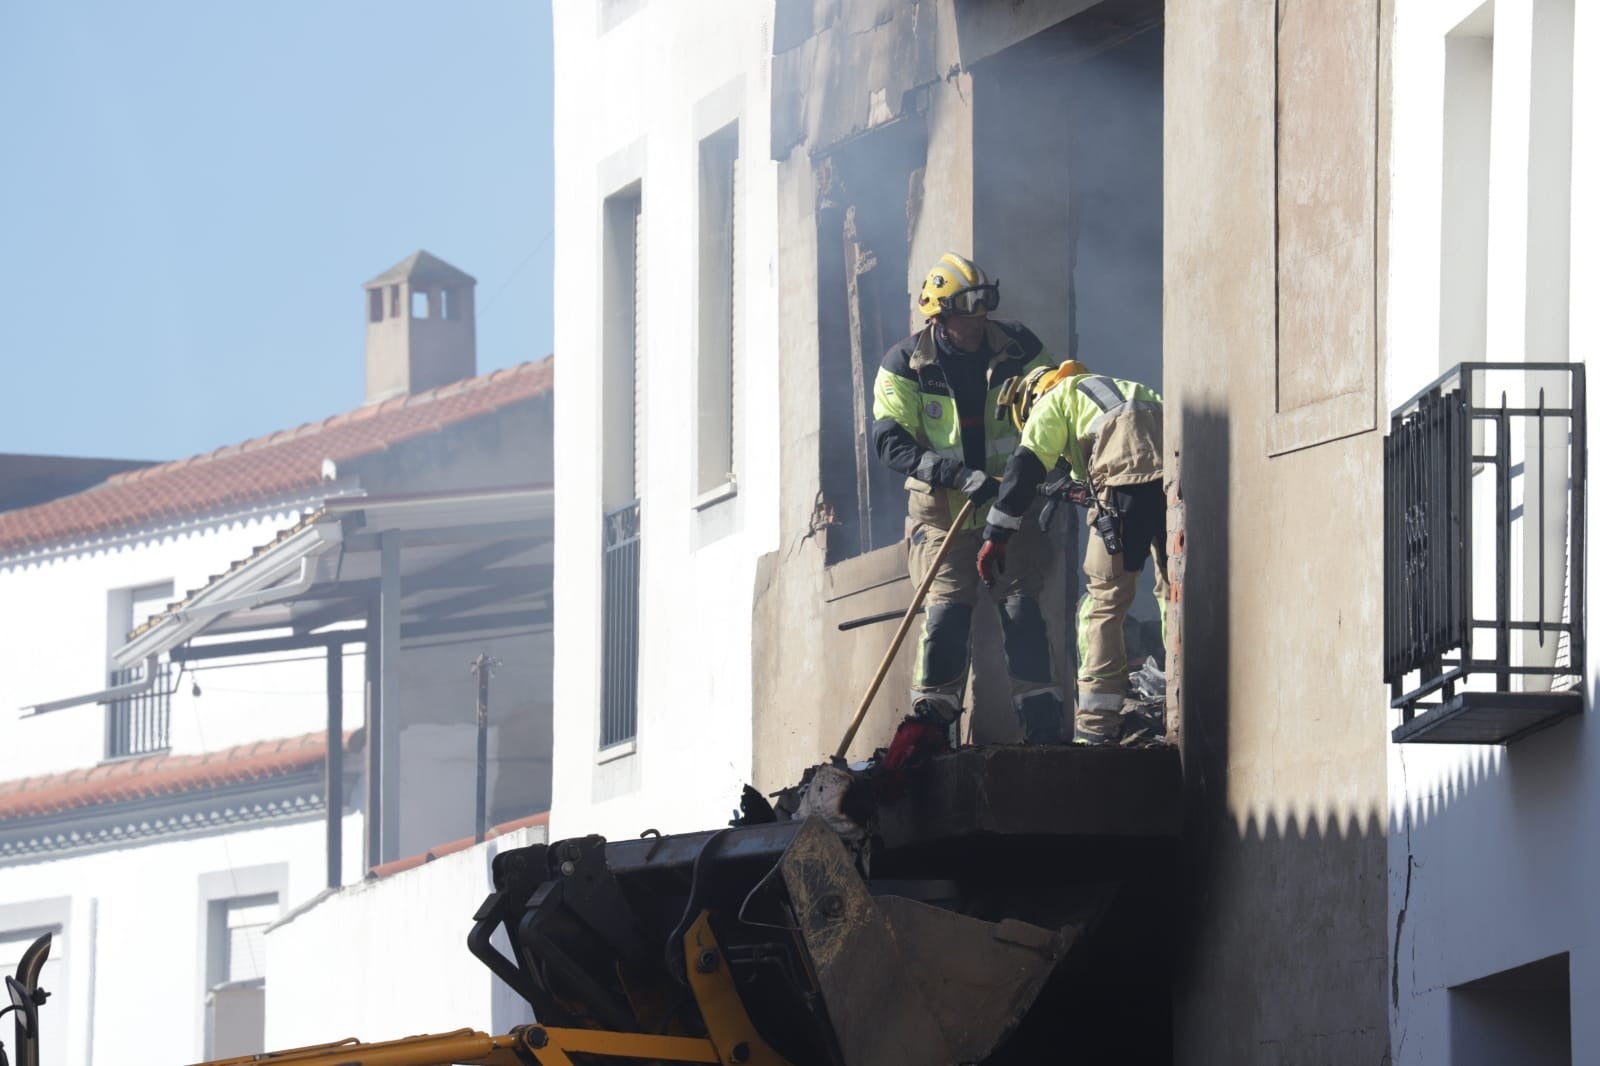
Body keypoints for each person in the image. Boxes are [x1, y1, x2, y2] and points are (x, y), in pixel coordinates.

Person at [871, 252, 1067, 763]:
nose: (978, 323)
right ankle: (930, 736)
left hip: (1010, 513)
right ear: (938, 317)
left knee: (1023, 612)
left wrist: (1049, 474)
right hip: (944, 520)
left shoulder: (1019, 346)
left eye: (983, 310)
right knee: (945, 621)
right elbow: (890, 441)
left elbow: (1056, 402)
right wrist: (954, 475)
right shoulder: (904, 364)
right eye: (965, 314)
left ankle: (1043, 728)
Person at [978, 366, 1168, 745]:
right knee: (1173, 592)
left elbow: (1026, 464)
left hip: (1121, 483)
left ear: (1029, 400)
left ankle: (1096, 727)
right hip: (1172, 479)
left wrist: (996, 535)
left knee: (1101, 603)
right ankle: (1181, 698)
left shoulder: (1054, 398)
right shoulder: (1127, 388)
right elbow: (1139, 456)